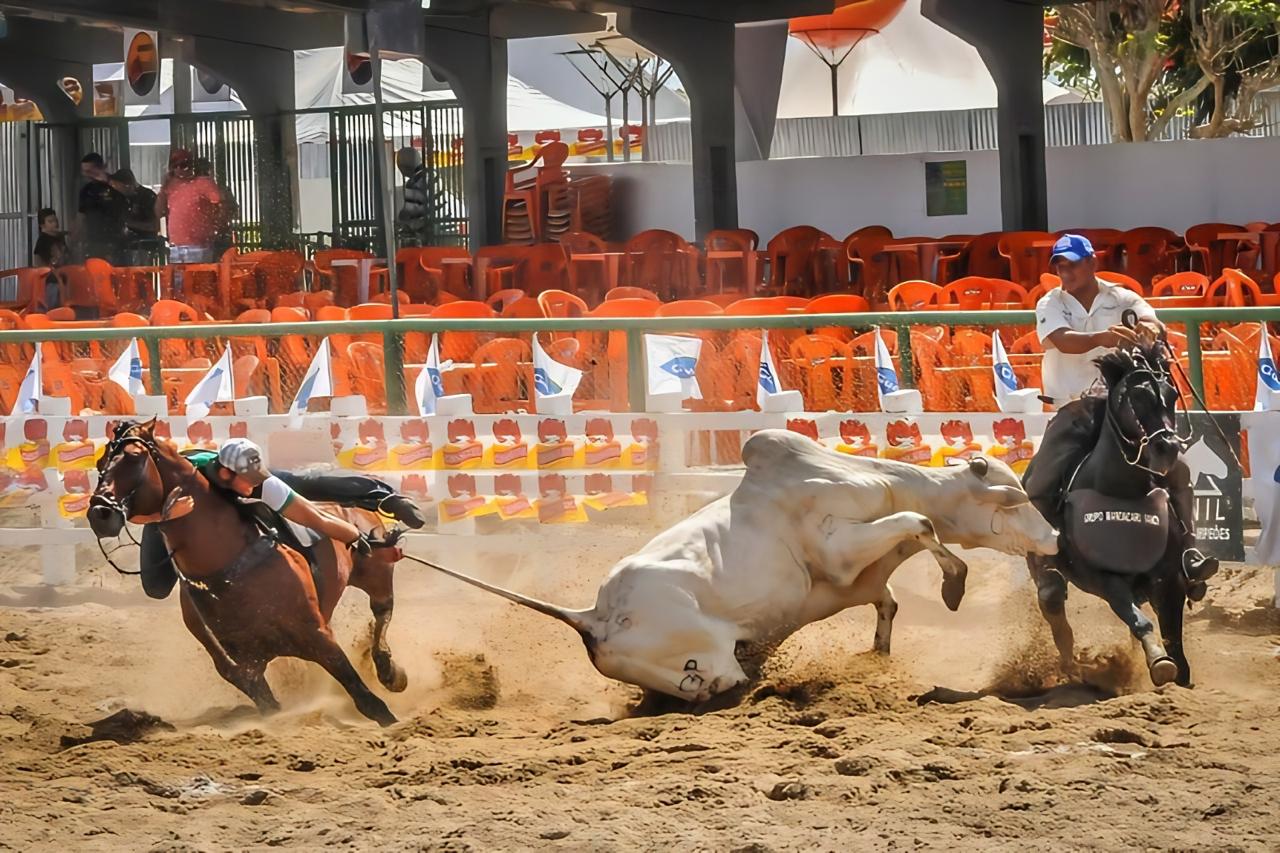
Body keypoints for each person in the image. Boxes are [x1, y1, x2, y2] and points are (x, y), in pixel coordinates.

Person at [1021, 233, 1216, 596]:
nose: (1066, 271)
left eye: (1072, 263)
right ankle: (1048, 562)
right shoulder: (1051, 302)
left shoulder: (1122, 297)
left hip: (1125, 407)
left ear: (1092, 262)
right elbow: (1060, 339)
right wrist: (1102, 338)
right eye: (1060, 265)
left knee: (1178, 467)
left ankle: (1189, 552)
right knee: (1040, 481)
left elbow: (1153, 322)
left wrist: (1149, 329)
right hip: (1074, 407)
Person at [136, 437, 426, 599]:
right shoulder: (183, 475)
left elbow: (316, 518)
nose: (255, 483)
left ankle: (383, 496)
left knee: (302, 481)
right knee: (156, 588)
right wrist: (165, 516)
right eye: (249, 478)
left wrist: (357, 538)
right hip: (169, 514)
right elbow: (137, 512)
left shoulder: (262, 484)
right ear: (225, 473)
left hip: (209, 501)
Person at [155, 148, 221, 267]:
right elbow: (159, 212)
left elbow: (220, 204)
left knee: (197, 282)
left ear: (192, 166)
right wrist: (163, 188)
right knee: (178, 284)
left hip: (199, 245)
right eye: (175, 166)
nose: (180, 169)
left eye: (184, 165)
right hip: (176, 246)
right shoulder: (170, 186)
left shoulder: (203, 183)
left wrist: (214, 227)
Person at [76, 152, 126, 263]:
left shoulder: (115, 183)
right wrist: (77, 237)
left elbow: (129, 192)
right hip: (93, 242)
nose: (86, 175)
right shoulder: (86, 190)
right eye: (84, 171)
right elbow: (81, 215)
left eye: (89, 171)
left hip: (116, 241)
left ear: (100, 168)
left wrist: (107, 180)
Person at [108, 168, 160, 266]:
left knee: (140, 276)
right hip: (122, 248)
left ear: (127, 185)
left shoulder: (147, 197)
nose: (114, 190)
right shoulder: (120, 198)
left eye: (116, 186)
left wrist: (128, 224)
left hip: (143, 248)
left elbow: (155, 225)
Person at [194, 157, 238, 256]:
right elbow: (233, 210)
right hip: (208, 235)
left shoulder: (220, 191)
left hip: (215, 234)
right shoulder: (193, 192)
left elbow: (233, 210)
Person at [395, 147, 435, 247]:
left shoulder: (415, 182)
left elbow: (409, 214)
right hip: (443, 233)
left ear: (404, 167)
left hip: (425, 238)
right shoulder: (432, 175)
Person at [32, 208, 68, 310]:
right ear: (42, 225)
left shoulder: (60, 238)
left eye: (55, 221)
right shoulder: (43, 241)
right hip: (49, 280)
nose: (54, 224)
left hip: (62, 277)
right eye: (50, 222)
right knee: (51, 306)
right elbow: (39, 260)